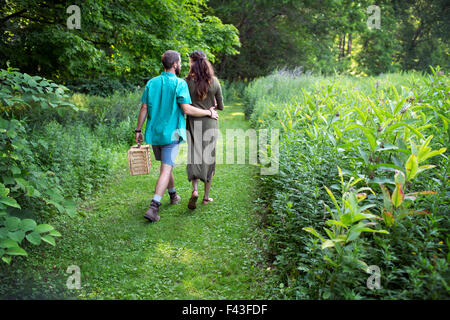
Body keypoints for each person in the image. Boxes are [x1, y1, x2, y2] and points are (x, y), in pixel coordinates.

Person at [135, 50, 218, 222]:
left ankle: (173, 196)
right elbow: (186, 109)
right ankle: (154, 207)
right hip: (171, 134)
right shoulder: (180, 84)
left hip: (154, 134)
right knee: (166, 169)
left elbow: (143, 108)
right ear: (174, 64)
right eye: (180, 62)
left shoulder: (151, 83)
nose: (181, 65)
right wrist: (208, 113)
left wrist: (138, 130)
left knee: (167, 166)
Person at [185, 51, 224, 210]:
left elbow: (183, 104)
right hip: (210, 123)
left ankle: (195, 190)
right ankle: (206, 197)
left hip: (193, 122)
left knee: (195, 155)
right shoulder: (214, 82)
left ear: (192, 63)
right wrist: (212, 105)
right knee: (209, 159)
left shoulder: (186, 82)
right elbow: (221, 106)